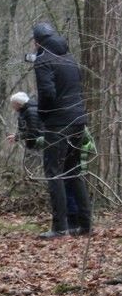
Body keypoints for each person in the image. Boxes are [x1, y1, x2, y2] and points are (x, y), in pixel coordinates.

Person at [30, 22, 92, 238]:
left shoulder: (43, 60)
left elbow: (47, 93)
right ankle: (84, 225)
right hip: (78, 119)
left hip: (58, 122)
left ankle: (60, 227)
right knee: (74, 171)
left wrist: (44, 116)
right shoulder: (69, 57)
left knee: (54, 173)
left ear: (37, 41)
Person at [8, 91, 91, 234]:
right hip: (58, 146)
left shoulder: (33, 112)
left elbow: (35, 133)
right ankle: (73, 222)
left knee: (69, 183)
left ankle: (72, 222)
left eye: (13, 104)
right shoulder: (34, 110)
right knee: (68, 182)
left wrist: (23, 139)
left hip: (65, 148)